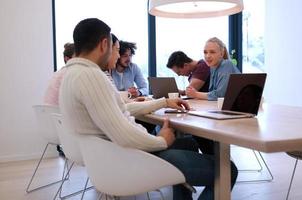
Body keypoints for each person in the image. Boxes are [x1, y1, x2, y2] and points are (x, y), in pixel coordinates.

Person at [59, 18, 238, 200]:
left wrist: (163, 103)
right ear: (104, 44)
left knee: (189, 144)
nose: (118, 54)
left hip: (110, 157)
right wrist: (161, 140)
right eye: (117, 49)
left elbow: (122, 109)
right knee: (228, 169)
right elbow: (124, 134)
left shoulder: (71, 75)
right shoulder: (91, 76)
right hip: (130, 158)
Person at [43, 42, 75, 157]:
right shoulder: (68, 74)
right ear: (67, 59)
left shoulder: (60, 73)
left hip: (49, 126)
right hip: (60, 127)